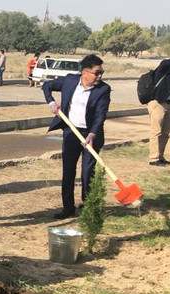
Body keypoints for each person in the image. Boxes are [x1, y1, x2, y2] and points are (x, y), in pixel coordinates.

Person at [42, 54, 111, 219]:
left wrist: (92, 134)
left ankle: (87, 206)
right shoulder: (70, 81)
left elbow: (100, 114)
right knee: (68, 170)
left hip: (91, 135)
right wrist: (51, 102)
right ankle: (68, 208)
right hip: (71, 132)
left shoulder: (103, 89)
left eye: (101, 72)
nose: (100, 76)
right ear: (85, 73)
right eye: (97, 73)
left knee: (87, 171)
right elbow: (46, 86)